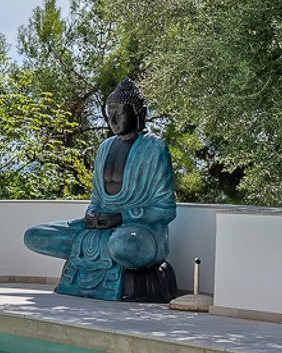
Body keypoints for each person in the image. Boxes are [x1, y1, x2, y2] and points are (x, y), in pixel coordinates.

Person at [23, 78, 175, 301]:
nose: (112, 119)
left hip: (139, 232)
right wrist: (92, 214)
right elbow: (97, 198)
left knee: (123, 245)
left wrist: (121, 217)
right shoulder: (105, 147)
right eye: (109, 113)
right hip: (99, 227)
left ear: (138, 113)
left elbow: (166, 209)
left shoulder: (154, 148)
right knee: (35, 236)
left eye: (119, 113)